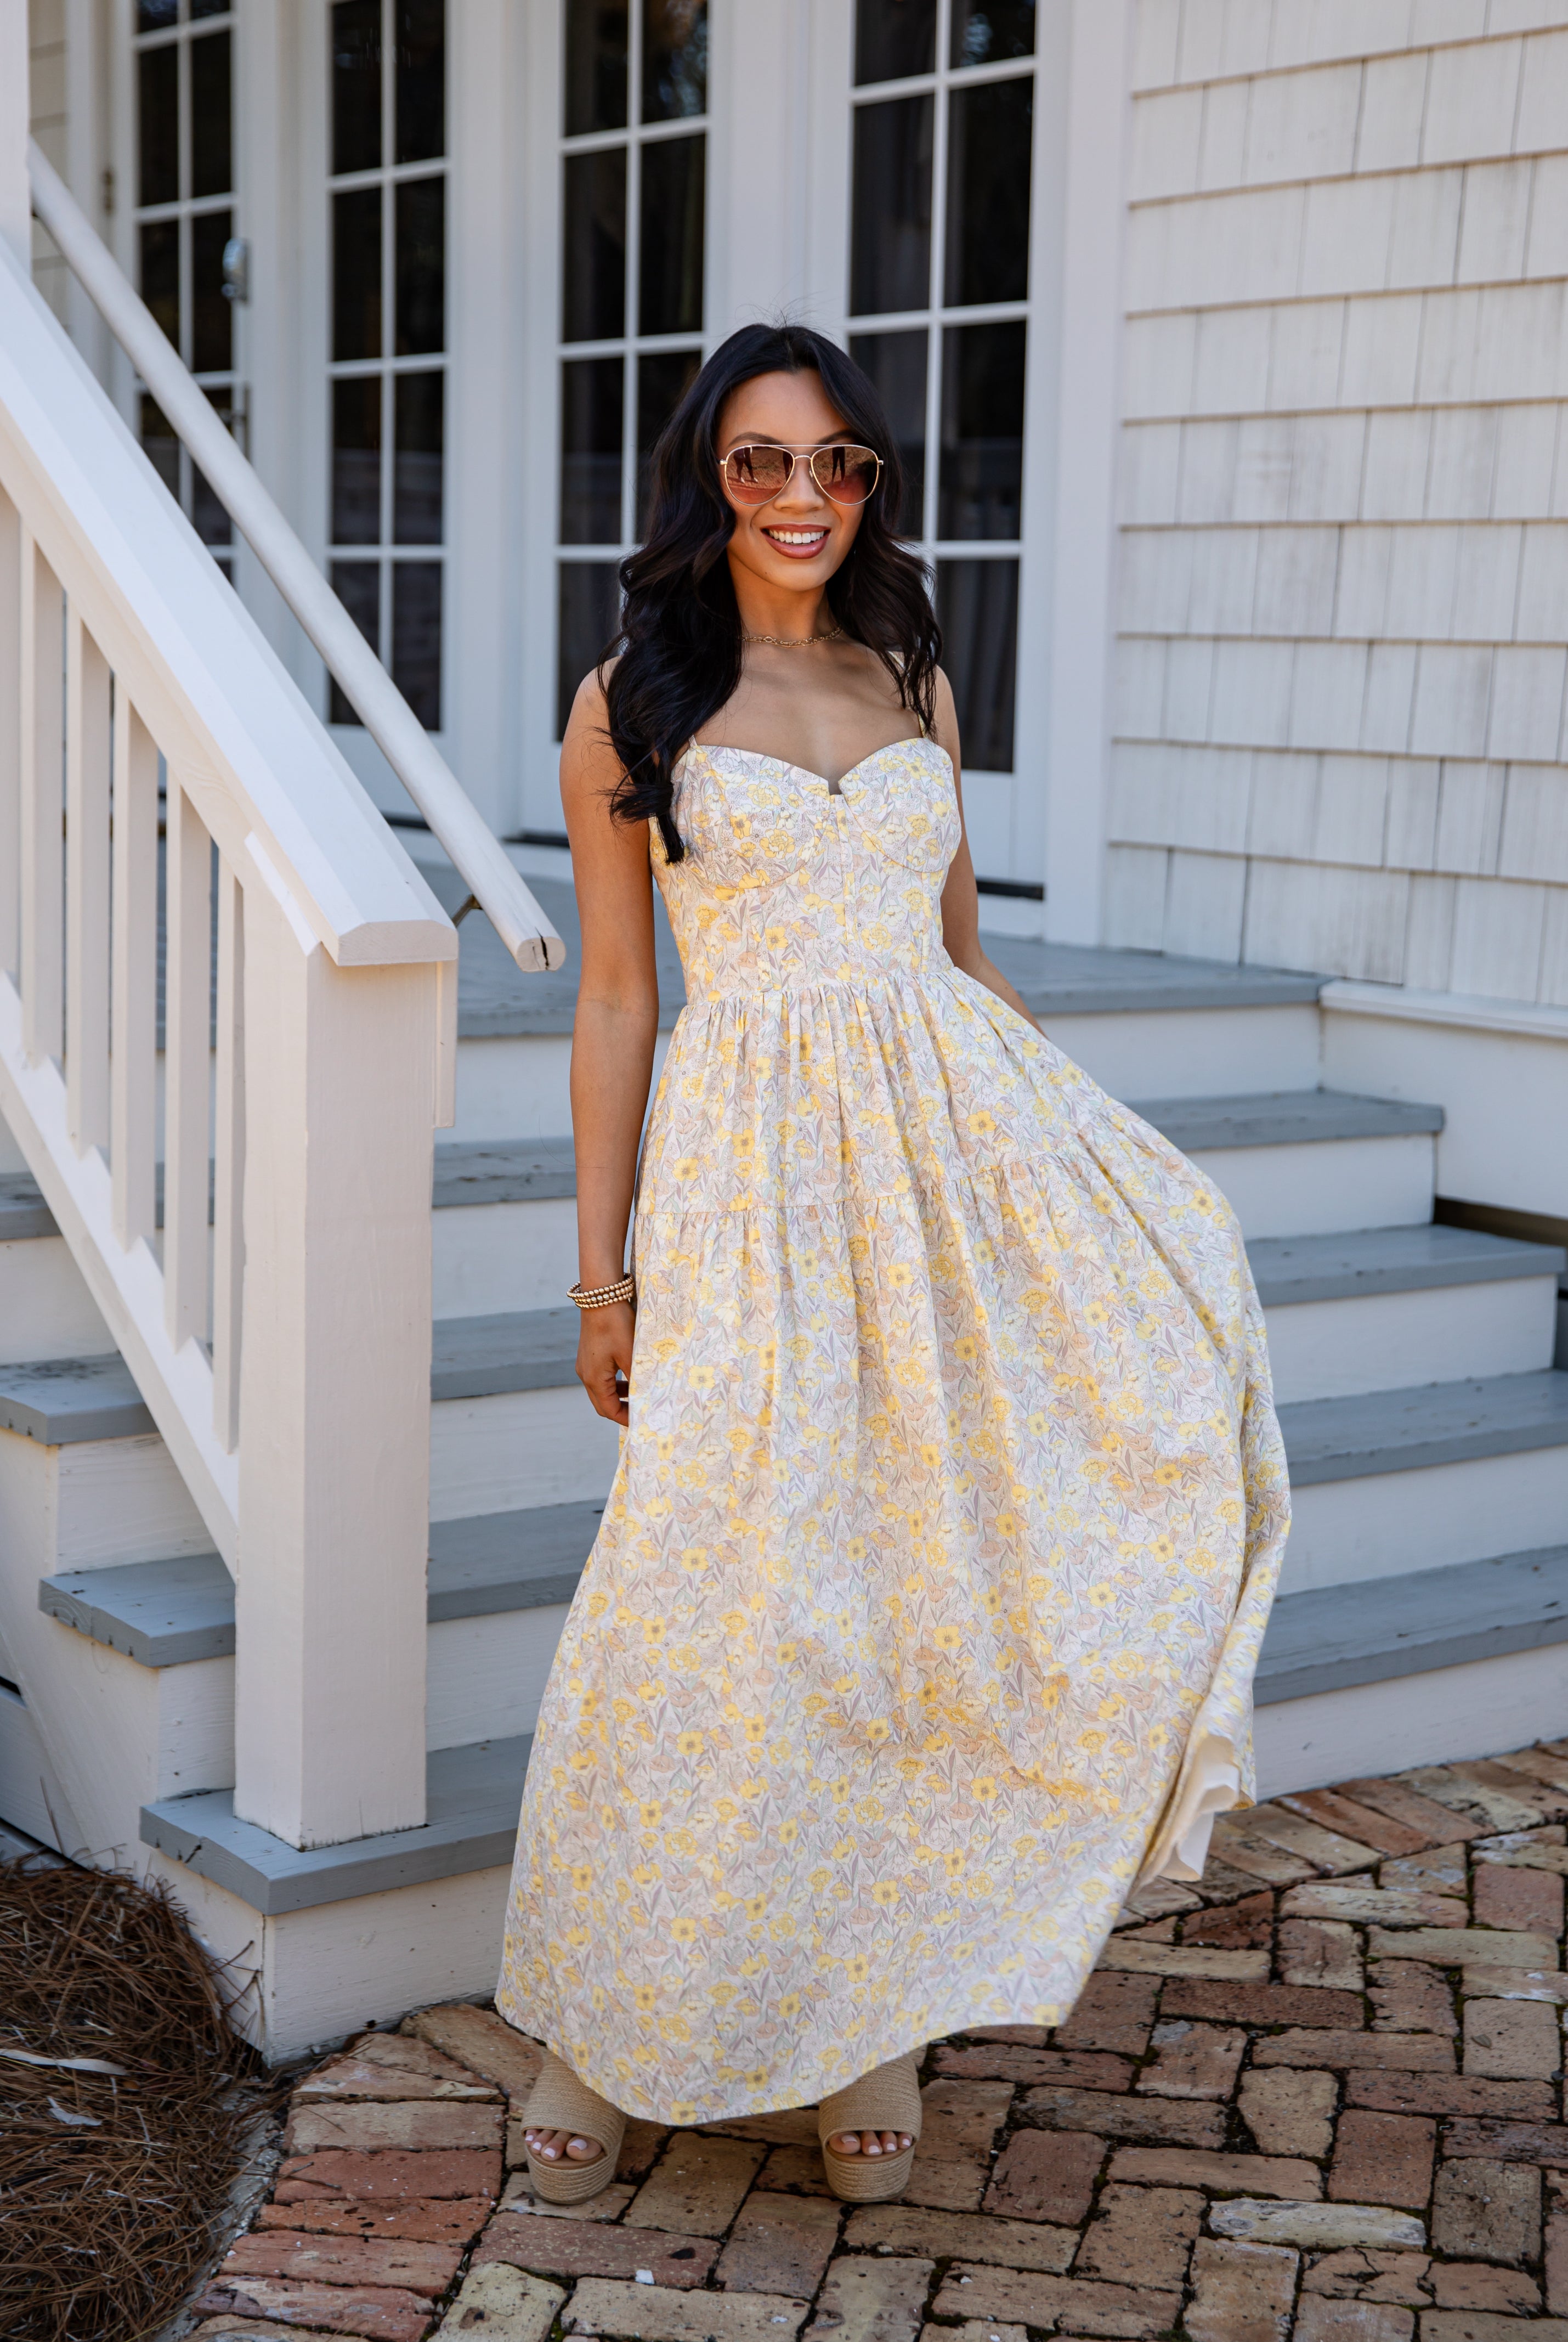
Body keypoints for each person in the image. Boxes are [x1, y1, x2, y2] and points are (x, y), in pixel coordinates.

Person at [495, 323, 1289, 2206]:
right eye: (761, 462)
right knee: (713, 1603)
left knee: (903, 1601)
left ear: (873, 486)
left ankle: (860, 2020)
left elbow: (959, 963)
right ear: (705, 477)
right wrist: (601, 1276)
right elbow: (618, 1002)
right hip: (752, 1178)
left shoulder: (915, 668)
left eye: (839, 463)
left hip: (943, 1169)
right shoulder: (630, 700)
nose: (801, 497)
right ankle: (608, 2031)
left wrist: (1080, 1168)